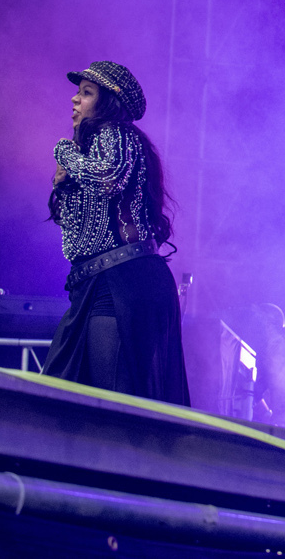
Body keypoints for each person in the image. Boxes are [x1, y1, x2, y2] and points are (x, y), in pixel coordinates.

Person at [43, 61, 190, 404]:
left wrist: (64, 151)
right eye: (78, 92)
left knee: (112, 402)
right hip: (96, 285)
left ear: (109, 102)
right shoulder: (92, 150)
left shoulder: (117, 133)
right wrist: (63, 185)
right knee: (71, 394)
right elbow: (77, 234)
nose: (74, 100)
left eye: (86, 93)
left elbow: (107, 180)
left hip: (122, 282)